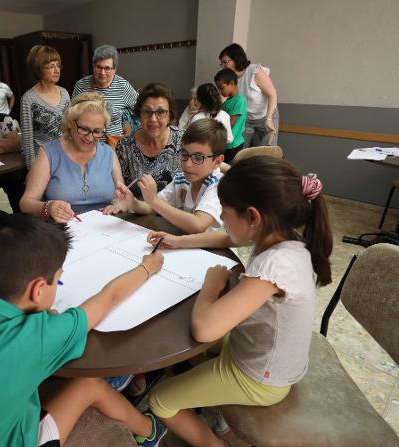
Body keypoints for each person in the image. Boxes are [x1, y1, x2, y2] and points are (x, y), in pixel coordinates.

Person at [0, 212, 168, 447]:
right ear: (38, 289)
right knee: (89, 385)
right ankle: (150, 432)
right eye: (58, 280)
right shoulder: (37, 335)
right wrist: (147, 267)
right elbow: (107, 298)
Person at [144, 156, 333, 447]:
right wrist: (177, 241)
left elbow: (204, 329)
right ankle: (211, 400)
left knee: (160, 400)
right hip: (257, 347)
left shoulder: (277, 265)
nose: (220, 217)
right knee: (190, 346)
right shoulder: (279, 234)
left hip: (259, 377)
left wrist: (211, 285)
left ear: (253, 217)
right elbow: (228, 238)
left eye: (225, 211)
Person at [104, 119, 227, 235]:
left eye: (198, 158)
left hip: (217, 253)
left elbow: (198, 225)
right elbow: (153, 208)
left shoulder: (219, 185)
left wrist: (154, 200)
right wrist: (133, 203)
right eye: (184, 154)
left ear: (217, 161)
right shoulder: (182, 180)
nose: (188, 164)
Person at [20, 92, 123, 222]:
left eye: (97, 131)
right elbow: (26, 203)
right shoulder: (49, 153)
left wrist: (120, 203)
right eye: (84, 129)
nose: (90, 138)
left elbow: (121, 197)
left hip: (104, 229)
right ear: (70, 123)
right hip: (63, 230)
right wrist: (49, 207)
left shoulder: (109, 153)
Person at [116, 82, 183, 198]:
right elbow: (120, 191)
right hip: (134, 213)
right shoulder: (125, 146)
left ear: (170, 116)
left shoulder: (184, 140)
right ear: (139, 114)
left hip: (175, 214)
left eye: (160, 112)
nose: (153, 119)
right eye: (147, 111)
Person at [72, 45, 138, 148]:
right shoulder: (81, 85)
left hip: (114, 146)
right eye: (99, 67)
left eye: (107, 68)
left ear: (114, 69)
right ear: (93, 66)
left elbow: (141, 109)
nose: (102, 72)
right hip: (87, 144)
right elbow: (71, 115)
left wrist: (129, 129)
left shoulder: (123, 86)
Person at [20, 45, 71, 169]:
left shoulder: (64, 93)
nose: (57, 70)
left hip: (66, 157)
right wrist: (32, 170)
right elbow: (27, 139)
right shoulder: (29, 99)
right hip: (43, 162)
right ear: (39, 69)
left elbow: (71, 128)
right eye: (51, 66)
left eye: (58, 65)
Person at [219, 43, 279, 148]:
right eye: (222, 63)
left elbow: (273, 94)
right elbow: (225, 98)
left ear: (236, 59)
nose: (223, 66)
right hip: (247, 118)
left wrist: (268, 119)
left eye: (225, 62)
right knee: (241, 148)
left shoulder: (254, 71)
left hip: (266, 115)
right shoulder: (230, 78)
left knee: (269, 150)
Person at [214, 69, 247, 163]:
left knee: (229, 170)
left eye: (222, 87)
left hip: (234, 144)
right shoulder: (227, 102)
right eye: (218, 88)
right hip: (226, 144)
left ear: (232, 83)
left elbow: (230, 123)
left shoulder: (239, 100)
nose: (220, 91)